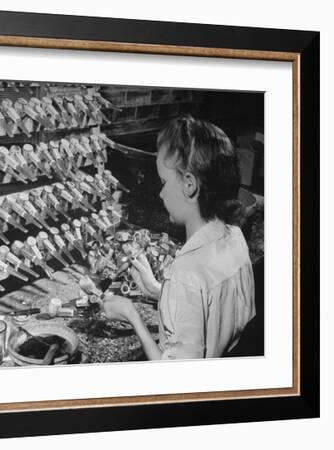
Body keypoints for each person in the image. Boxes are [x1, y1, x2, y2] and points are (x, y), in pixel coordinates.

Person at [103, 115, 256, 360]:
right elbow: (208, 308)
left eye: (164, 181)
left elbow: (175, 380)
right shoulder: (235, 236)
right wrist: (158, 290)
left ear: (189, 184)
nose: (161, 193)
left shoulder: (185, 273)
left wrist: (133, 316)